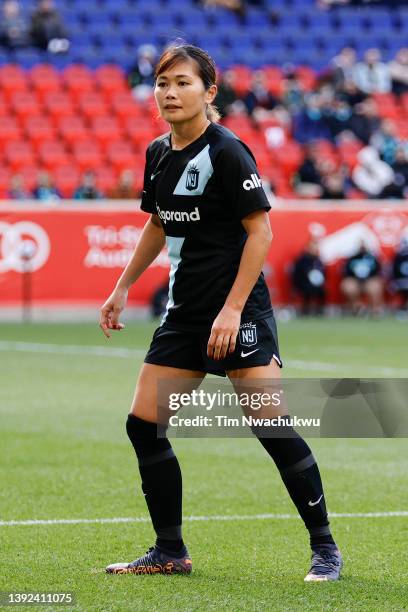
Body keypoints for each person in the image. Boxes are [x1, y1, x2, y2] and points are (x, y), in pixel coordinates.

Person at [100, 43, 342, 581]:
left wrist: (232, 310)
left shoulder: (228, 150)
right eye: (163, 83)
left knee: (271, 426)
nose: (170, 92)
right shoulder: (157, 153)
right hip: (185, 314)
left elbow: (262, 233)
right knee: (144, 425)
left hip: (240, 312)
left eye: (183, 82)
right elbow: (157, 224)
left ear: (209, 92)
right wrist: (121, 287)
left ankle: (325, 547)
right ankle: (169, 552)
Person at [340, 242, 383, 315]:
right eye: (361, 246)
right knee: (348, 286)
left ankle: (375, 310)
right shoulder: (351, 258)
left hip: (369, 280)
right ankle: (357, 307)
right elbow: (346, 274)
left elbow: (378, 273)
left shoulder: (372, 258)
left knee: (376, 286)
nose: (362, 248)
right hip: (355, 280)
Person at [292, 238, 326, 315]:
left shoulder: (319, 261)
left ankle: (320, 311)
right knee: (307, 290)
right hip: (304, 284)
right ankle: (305, 310)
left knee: (322, 291)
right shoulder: (301, 260)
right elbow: (296, 276)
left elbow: (324, 274)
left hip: (317, 285)